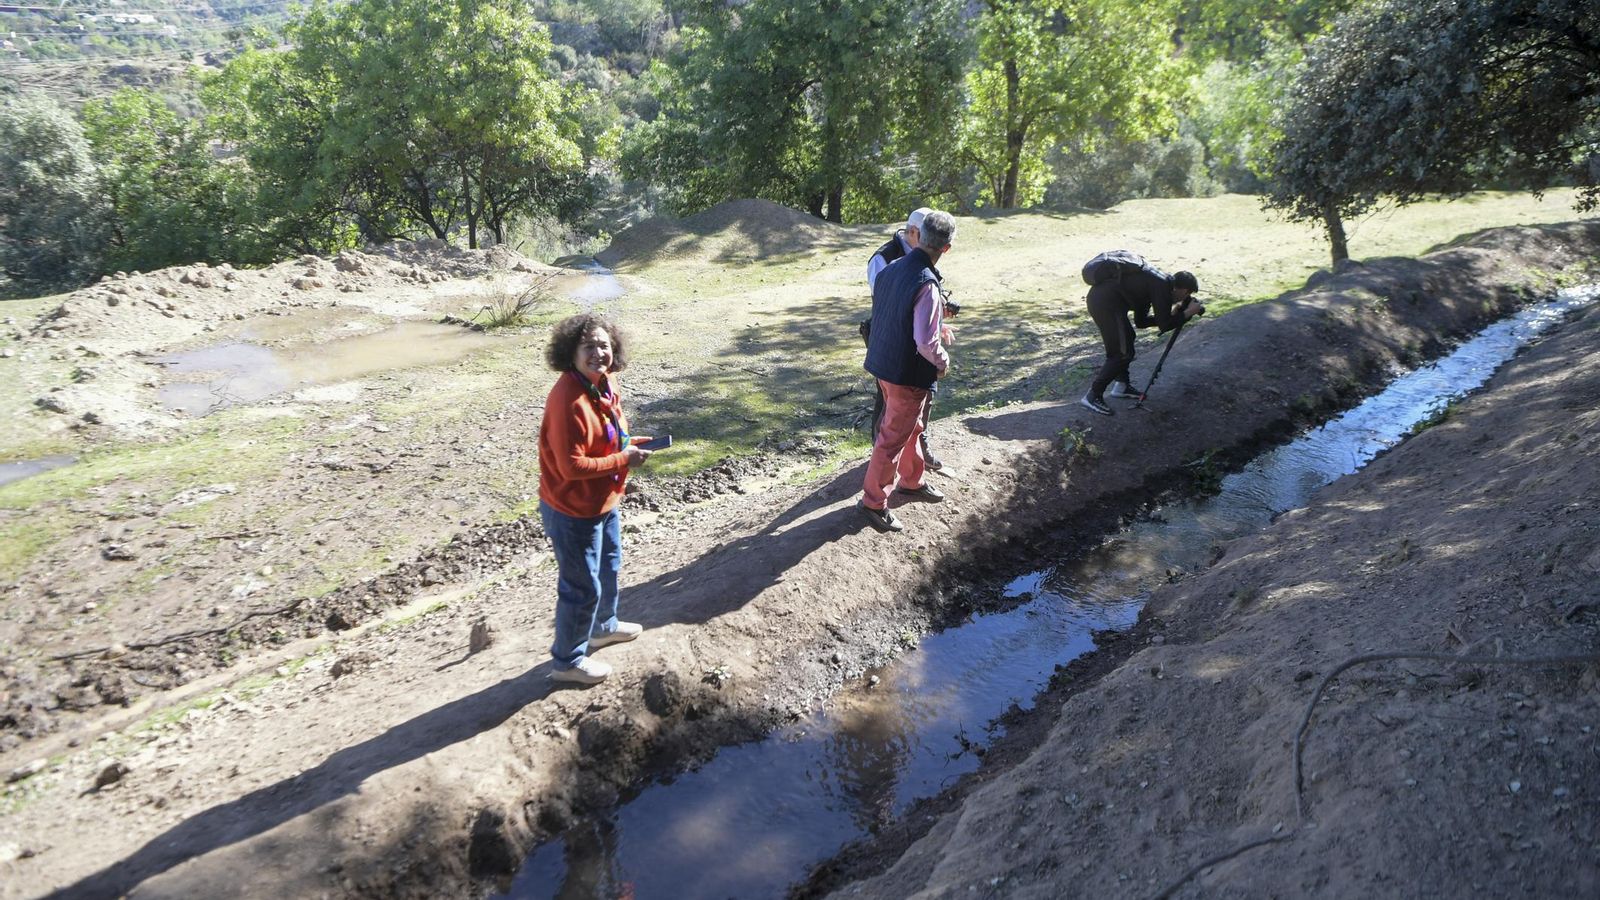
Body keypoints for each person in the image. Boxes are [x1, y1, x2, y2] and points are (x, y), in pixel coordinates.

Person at [537, 312, 654, 685]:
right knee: (581, 586)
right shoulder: (567, 400)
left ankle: (603, 627)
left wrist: (626, 445)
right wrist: (624, 459)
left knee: (609, 567)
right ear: (570, 353)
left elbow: (606, 433)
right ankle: (567, 661)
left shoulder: (604, 383)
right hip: (572, 510)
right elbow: (571, 467)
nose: (598, 353)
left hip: (603, 501)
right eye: (588, 347)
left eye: (604, 345)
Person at [857, 209, 958, 532]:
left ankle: (912, 481)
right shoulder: (926, 283)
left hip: (882, 364)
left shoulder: (893, 267)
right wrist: (942, 362)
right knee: (891, 438)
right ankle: (873, 502)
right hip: (906, 375)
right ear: (946, 247)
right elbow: (925, 343)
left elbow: (891, 314)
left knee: (911, 427)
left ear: (919, 236)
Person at [863, 208, 945, 470]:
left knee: (915, 416)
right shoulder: (885, 259)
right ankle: (875, 495)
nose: (928, 240)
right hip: (894, 348)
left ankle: (911, 474)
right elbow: (889, 305)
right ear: (913, 232)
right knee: (890, 419)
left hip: (913, 354)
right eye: (925, 234)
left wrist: (937, 320)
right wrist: (941, 359)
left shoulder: (919, 263)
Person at [1078, 251, 1204, 416]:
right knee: (1122, 353)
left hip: (1107, 303)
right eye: (1187, 294)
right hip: (1105, 304)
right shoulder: (1161, 285)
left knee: (1128, 340)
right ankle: (1092, 396)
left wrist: (1174, 315)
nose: (1183, 299)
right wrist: (1188, 313)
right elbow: (1165, 326)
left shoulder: (1155, 284)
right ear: (1184, 290)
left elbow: (1142, 322)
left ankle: (1121, 386)